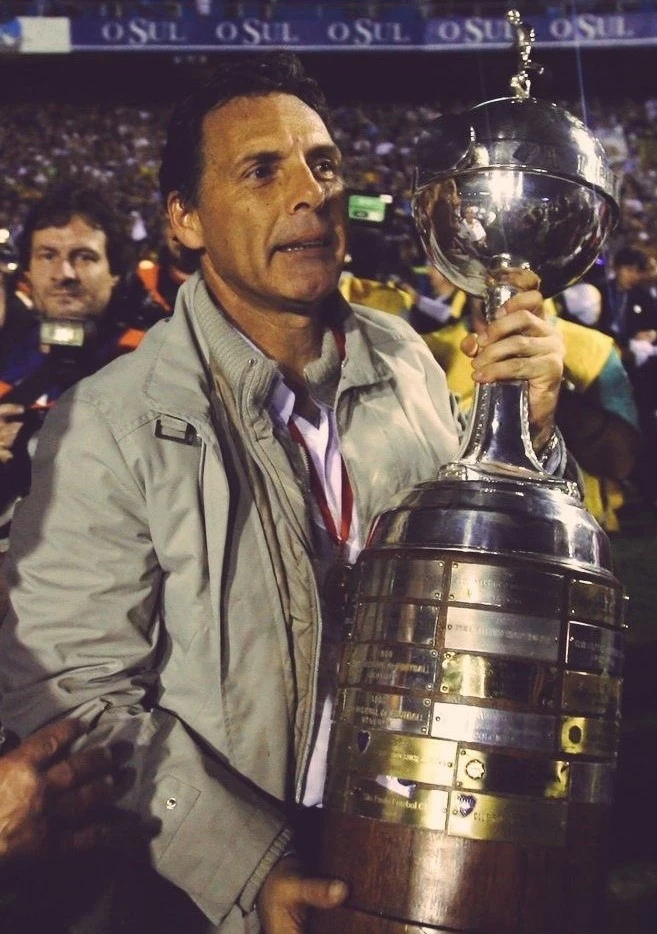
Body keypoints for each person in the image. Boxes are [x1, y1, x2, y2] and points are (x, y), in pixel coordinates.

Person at [0, 52, 567, 934]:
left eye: (324, 163)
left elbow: (499, 594)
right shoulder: (106, 423)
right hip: (201, 884)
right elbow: (75, 693)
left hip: (414, 835)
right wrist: (247, 869)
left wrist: (523, 438)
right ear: (184, 220)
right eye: (262, 170)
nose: (311, 192)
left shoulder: (411, 360)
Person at [0, 182, 157, 542]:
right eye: (47, 256)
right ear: (28, 271)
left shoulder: (157, 360)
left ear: (115, 272)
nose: (64, 274)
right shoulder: (9, 359)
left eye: (84, 257)